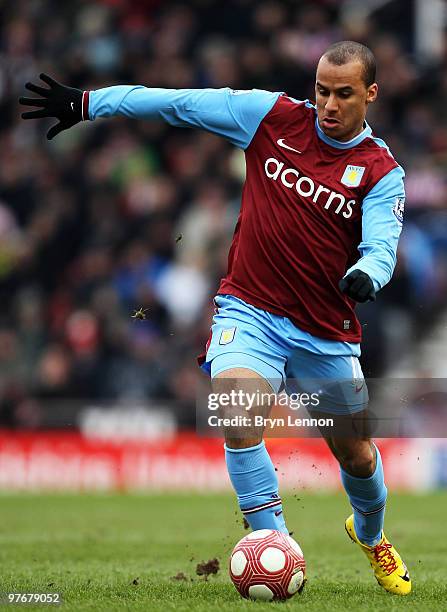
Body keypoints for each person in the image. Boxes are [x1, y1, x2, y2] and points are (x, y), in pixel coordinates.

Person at [20, 40, 410, 595]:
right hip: (250, 311)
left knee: (358, 454)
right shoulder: (271, 117)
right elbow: (177, 103)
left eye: (343, 94)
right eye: (321, 90)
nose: (327, 103)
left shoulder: (380, 171)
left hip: (324, 330)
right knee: (237, 410)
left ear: (370, 94)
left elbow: (381, 244)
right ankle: (271, 544)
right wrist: (88, 102)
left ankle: (371, 536)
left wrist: (367, 273)